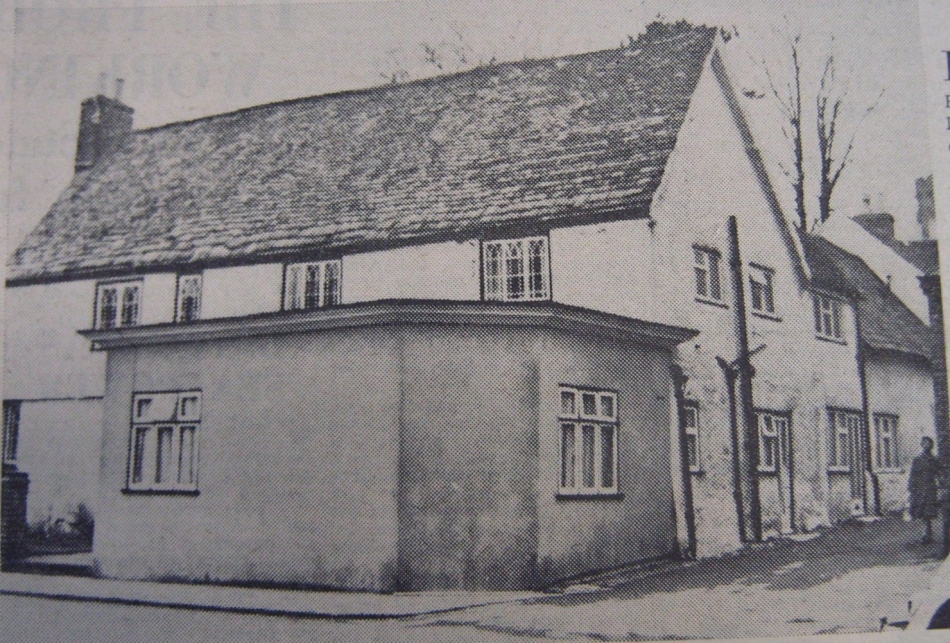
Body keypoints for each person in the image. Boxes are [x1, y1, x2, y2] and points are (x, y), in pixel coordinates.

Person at [908, 436, 940, 544]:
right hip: (920, 488)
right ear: (921, 445)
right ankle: (926, 534)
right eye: (924, 443)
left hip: (930, 488)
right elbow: (913, 474)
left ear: (932, 445)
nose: (926, 445)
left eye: (928, 443)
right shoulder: (917, 459)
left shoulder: (934, 460)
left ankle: (928, 534)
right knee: (921, 511)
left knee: (929, 512)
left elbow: (938, 473)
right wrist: (911, 487)